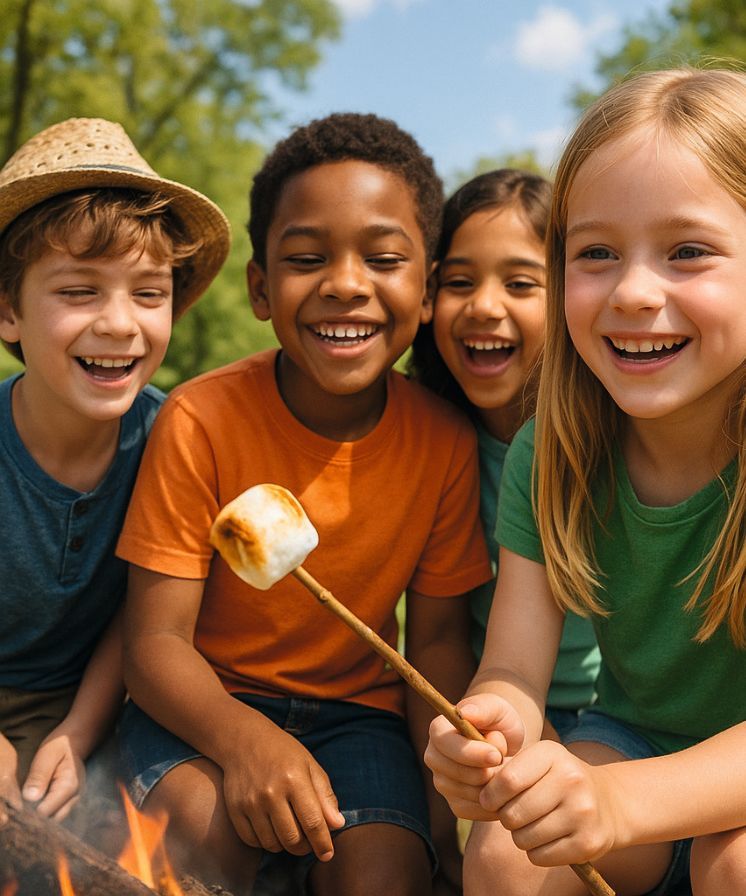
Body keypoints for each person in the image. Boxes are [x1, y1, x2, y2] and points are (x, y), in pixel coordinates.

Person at [116, 112, 493, 896]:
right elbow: (154, 644)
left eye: (384, 259)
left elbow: (436, 649)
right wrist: (245, 740)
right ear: (261, 288)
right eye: (306, 258)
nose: (346, 283)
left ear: (426, 291)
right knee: (204, 836)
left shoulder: (444, 442)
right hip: (206, 701)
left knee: (385, 874)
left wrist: (447, 820)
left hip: (361, 716)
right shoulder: (199, 419)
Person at [425, 66, 746, 896]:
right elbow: (515, 669)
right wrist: (496, 722)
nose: (635, 292)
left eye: (688, 252)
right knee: (503, 854)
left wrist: (620, 801)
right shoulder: (555, 449)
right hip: (632, 740)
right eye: (596, 253)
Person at [0, 117, 230, 825]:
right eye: (79, 292)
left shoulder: (173, 437)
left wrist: (76, 733)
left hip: (88, 705)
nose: (120, 323)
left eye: (148, 292)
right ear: (8, 310)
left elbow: (138, 612)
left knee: (101, 840)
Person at [408, 169, 599, 741]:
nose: (484, 306)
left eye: (520, 284)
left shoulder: (616, 434)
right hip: (494, 704)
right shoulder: (427, 440)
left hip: (613, 712)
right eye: (460, 283)